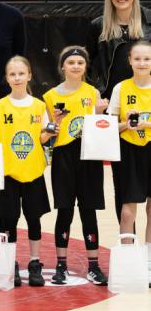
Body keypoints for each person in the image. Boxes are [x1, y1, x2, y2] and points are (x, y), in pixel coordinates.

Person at [0, 56, 54, 287]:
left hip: (32, 170)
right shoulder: (1, 105)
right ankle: (10, 262)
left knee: (33, 219)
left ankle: (34, 263)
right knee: (9, 219)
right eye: (12, 74)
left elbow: (42, 137)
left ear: (29, 75)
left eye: (21, 73)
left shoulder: (39, 106)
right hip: (8, 172)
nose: (17, 78)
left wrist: (52, 130)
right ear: (7, 78)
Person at [87, 0, 151, 226]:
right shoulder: (98, 26)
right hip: (114, 112)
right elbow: (87, 64)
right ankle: (127, 242)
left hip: (146, 107)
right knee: (123, 184)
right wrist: (96, 94)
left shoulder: (149, 21)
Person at [43, 46, 109, 286]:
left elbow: (100, 126)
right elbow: (46, 132)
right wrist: (55, 123)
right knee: (65, 210)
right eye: (71, 62)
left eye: (80, 62)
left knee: (88, 210)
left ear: (85, 66)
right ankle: (61, 265)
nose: (75, 66)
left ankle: (93, 266)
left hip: (88, 155)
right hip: (64, 155)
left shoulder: (93, 92)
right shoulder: (50, 96)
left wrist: (100, 112)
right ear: (62, 66)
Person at [108, 40, 151, 283]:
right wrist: (127, 124)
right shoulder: (120, 88)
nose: (142, 63)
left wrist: (147, 124)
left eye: (147, 59)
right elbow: (109, 126)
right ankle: (126, 263)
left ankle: (149, 263)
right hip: (129, 150)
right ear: (130, 61)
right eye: (138, 59)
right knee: (127, 212)